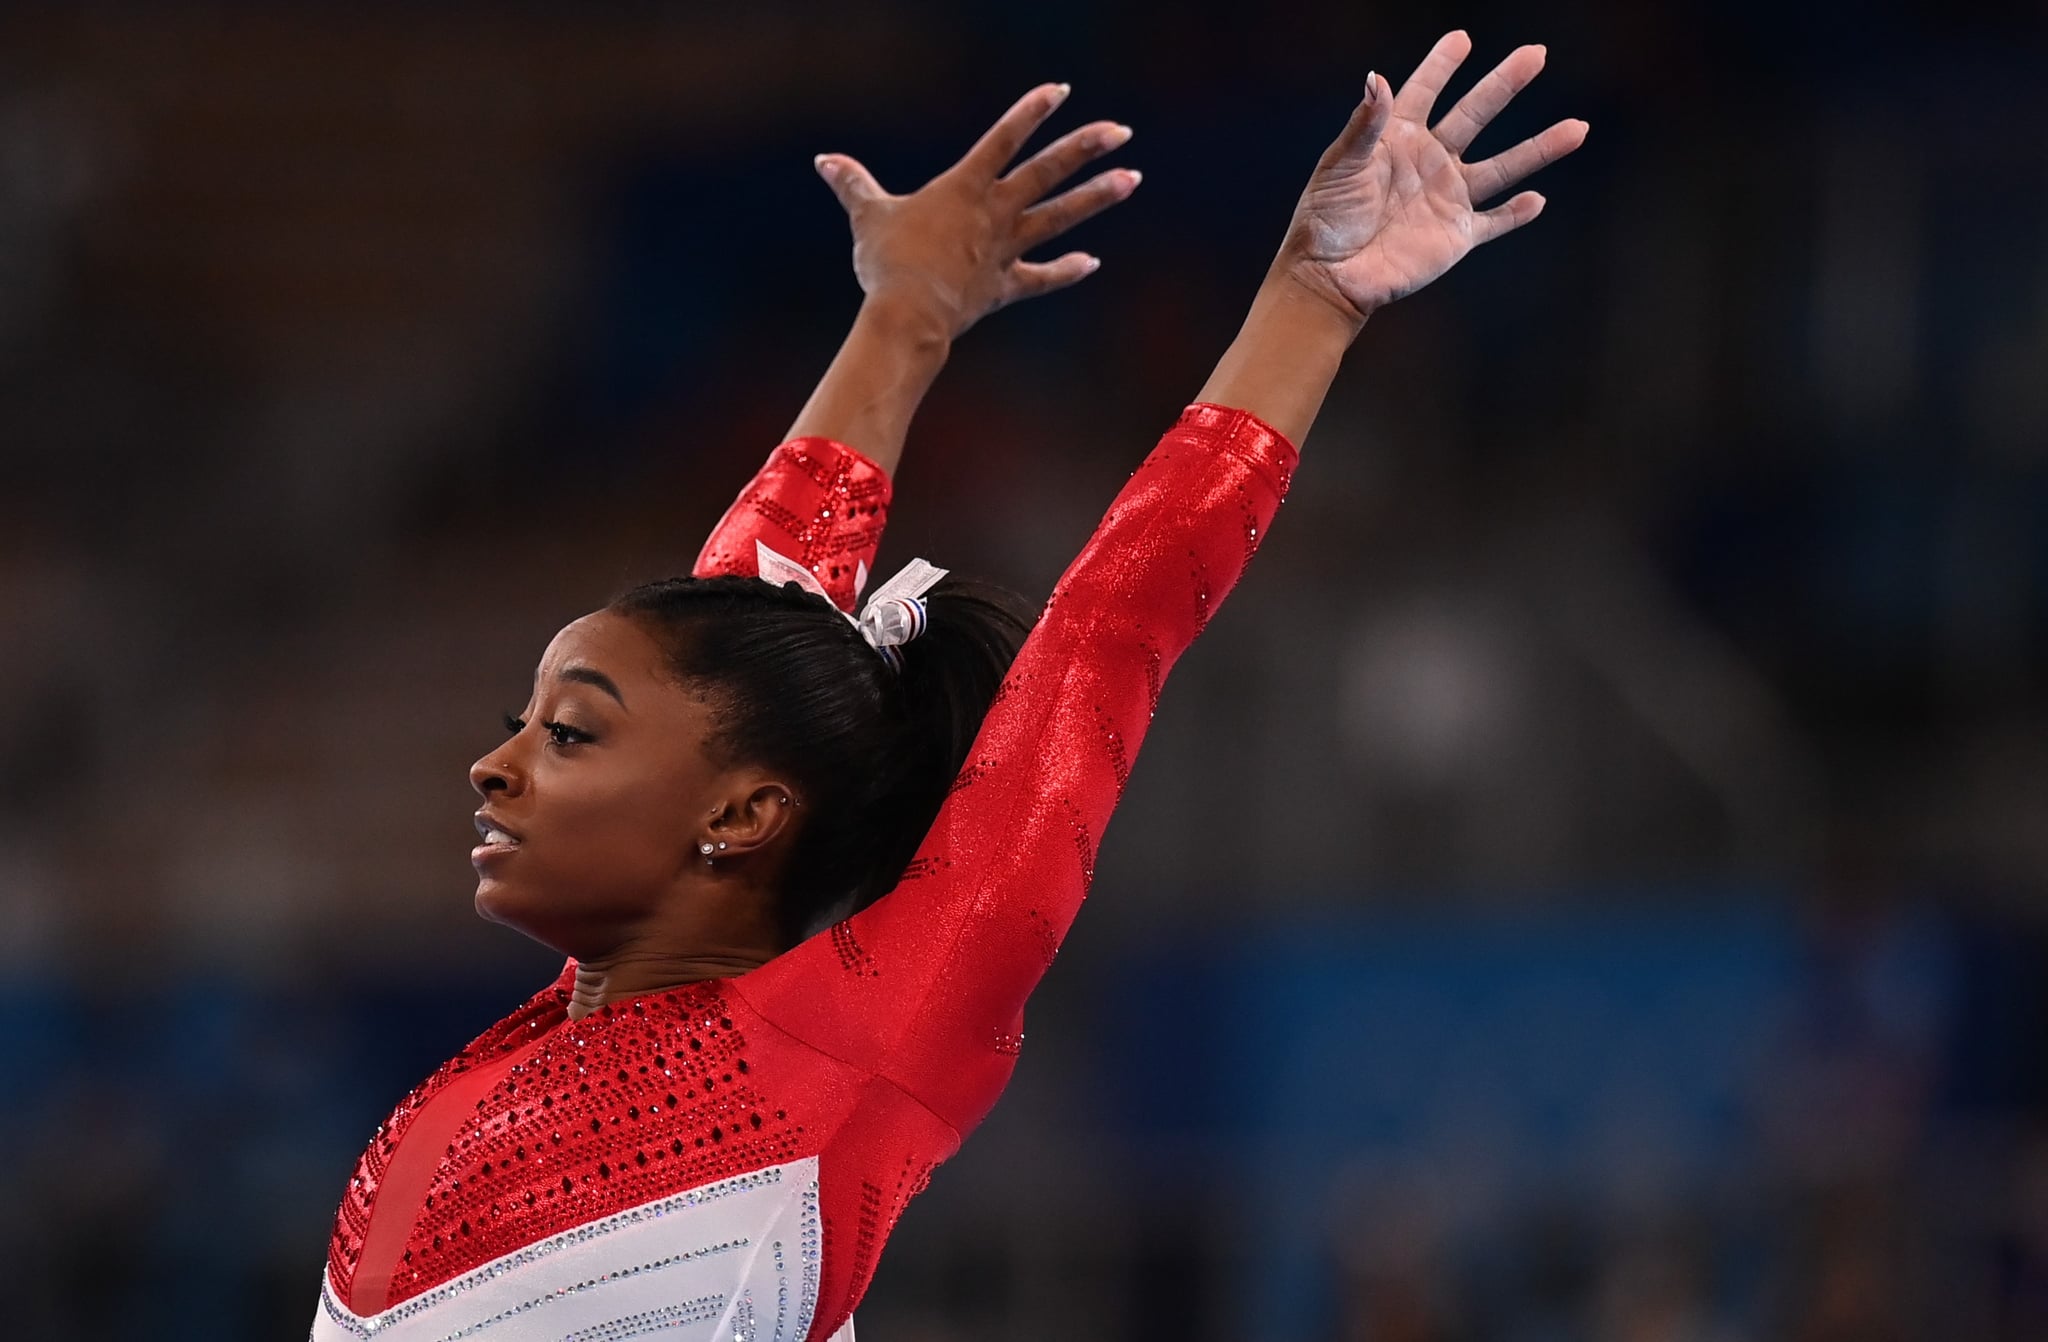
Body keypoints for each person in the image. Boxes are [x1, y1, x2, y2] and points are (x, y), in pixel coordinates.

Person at [312, 31, 1586, 1341]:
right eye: (525, 724)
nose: (497, 764)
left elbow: (1106, 632)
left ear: (742, 816)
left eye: (567, 733)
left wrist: (1313, 303)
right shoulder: (527, 1057)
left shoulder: (848, 1044)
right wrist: (903, 319)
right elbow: (749, 633)